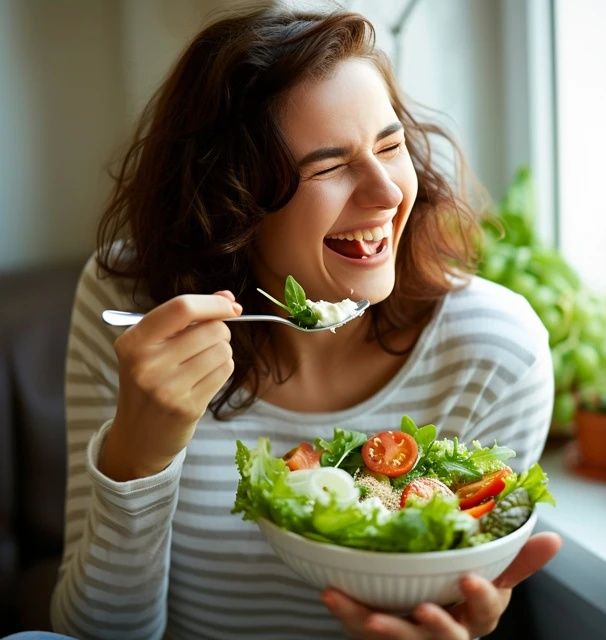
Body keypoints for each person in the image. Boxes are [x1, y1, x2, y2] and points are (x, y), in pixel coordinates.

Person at [50, 4, 561, 639]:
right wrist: (137, 459)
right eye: (327, 166)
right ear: (230, 202)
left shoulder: (496, 350)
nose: (386, 193)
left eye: (390, 144)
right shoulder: (136, 306)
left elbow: (465, 591)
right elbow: (90, 632)